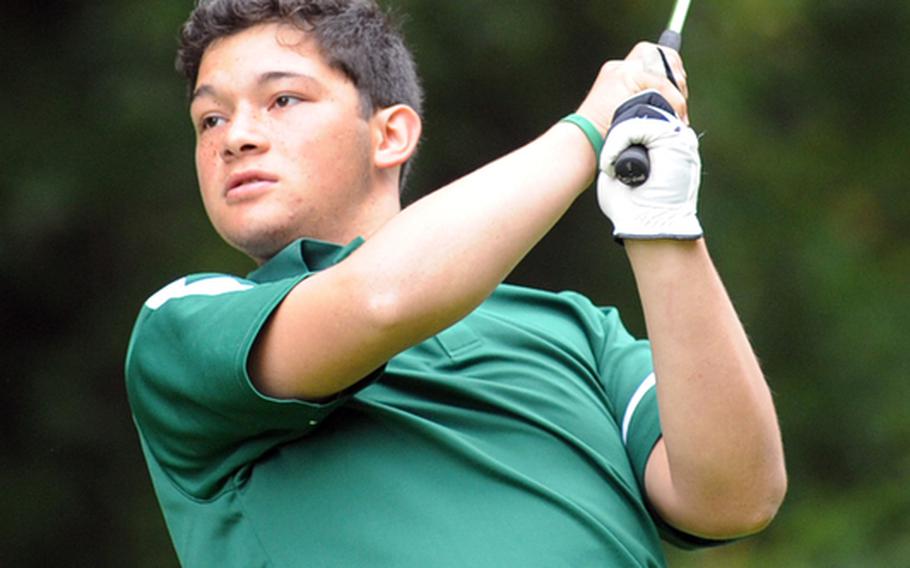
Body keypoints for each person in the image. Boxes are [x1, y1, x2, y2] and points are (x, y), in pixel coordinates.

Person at [125, 0, 787, 566]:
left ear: (391, 135)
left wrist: (659, 219)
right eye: (210, 119)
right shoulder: (186, 321)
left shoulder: (579, 332)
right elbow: (380, 300)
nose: (235, 137)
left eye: (283, 99)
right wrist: (590, 129)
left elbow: (735, 497)